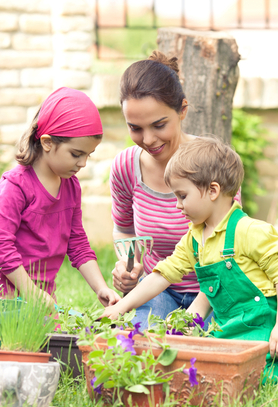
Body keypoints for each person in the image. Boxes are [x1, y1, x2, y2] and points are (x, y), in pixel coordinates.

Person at [104, 136, 278, 382]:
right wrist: (121, 307)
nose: (178, 205)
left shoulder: (250, 230)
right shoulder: (194, 238)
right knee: (207, 371)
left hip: (260, 325)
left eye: (182, 196)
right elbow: (162, 275)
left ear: (213, 190)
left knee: (258, 377)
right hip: (226, 327)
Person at [110, 50, 241, 328]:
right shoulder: (125, 167)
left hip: (214, 291)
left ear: (182, 110)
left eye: (159, 125)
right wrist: (129, 266)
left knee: (217, 344)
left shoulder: (212, 163)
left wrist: (191, 320)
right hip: (159, 289)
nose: (148, 139)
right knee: (141, 341)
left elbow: (231, 247)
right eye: (135, 128)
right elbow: (124, 229)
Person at [0, 87, 120, 307]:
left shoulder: (71, 186)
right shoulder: (14, 187)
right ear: (47, 142)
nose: (82, 163)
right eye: (76, 154)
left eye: (87, 155)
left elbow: (77, 243)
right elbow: (0, 248)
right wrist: (31, 293)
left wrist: (101, 287)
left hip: (40, 298)